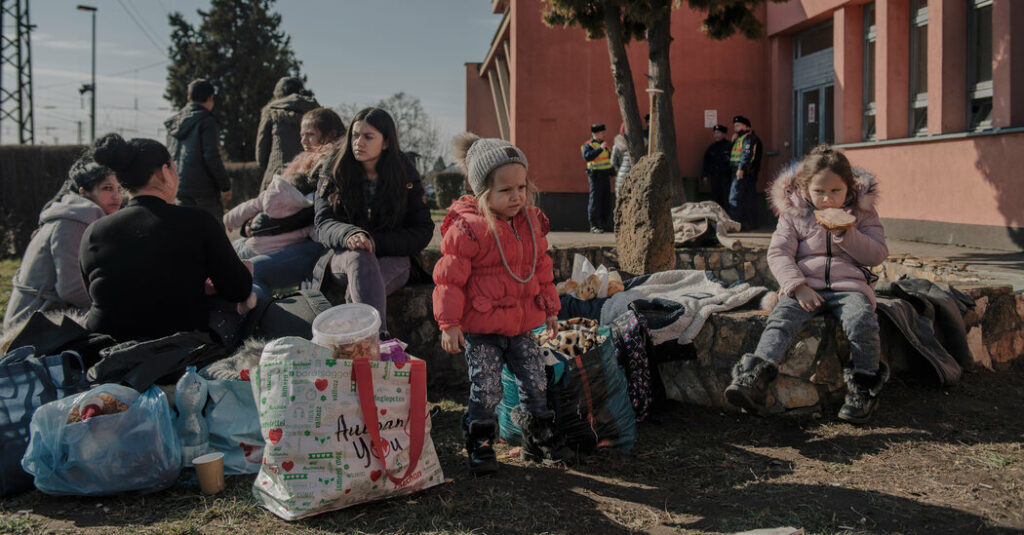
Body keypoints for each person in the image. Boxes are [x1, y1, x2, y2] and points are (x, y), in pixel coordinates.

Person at [433, 133, 574, 474]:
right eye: (506, 190)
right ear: (483, 192)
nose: (516, 197)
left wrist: (551, 308)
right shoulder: (468, 229)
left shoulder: (530, 224)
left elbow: (542, 269)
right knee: (488, 387)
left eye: (521, 188)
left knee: (536, 379)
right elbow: (449, 279)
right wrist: (449, 323)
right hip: (482, 329)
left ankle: (538, 439)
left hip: (523, 325)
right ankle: (480, 443)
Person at [724, 145, 889, 424]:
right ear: (804, 188)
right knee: (782, 318)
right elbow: (778, 254)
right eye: (819, 192)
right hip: (805, 284)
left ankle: (863, 390)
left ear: (849, 188)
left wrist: (846, 235)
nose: (827, 199)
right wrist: (797, 285)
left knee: (862, 319)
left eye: (835, 191)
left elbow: (877, 254)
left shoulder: (863, 214)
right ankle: (754, 379)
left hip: (850, 286)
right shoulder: (794, 215)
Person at [81, 134, 252, 342]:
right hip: (179, 347)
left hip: (108, 349)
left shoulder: (94, 232)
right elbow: (238, 289)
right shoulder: (198, 222)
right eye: (173, 167)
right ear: (164, 172)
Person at [314, 107, 434, 334]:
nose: (359, 142)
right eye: (355, 135)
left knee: (357, 291)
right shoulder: (334, 170)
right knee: (360, 257)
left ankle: (364, 347)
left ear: (386, 143)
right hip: (344, 257)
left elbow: (423, 230)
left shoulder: (405, 175)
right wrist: (349, 235)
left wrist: (375, 241)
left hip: (394, 259)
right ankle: (378, 343)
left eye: (368, 137)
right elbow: (323, 224)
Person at [225, 108, 344, 299]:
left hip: (313, 244)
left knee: (251, 270)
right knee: (231, 253)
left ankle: (259, 323)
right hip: (289, 238)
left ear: (330, 134)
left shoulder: (331, 165)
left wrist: (261, 226)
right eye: (302, 135)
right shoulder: (305, 162)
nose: (303, 141)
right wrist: (255, 223)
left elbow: (307, 213)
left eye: (310, 135)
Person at [3, 151, 122, 330]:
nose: (116, 196)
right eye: (107, 188)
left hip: (53, 314)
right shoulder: (71, 223)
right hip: (31, 324)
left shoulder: (85, 219)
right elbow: (72, 290)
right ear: (84, 191)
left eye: (119, 189)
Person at [165, 79, 231, 222]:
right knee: (213, 233)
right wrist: (225, 186)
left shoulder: (174, 123)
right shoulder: (206, 121)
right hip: (203, 189)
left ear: (188, 98)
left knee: (185, 233)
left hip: (178, 185)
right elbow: (211, 156)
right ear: (210, 99)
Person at [256, 76, 321, 192]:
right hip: (308, 177)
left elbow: (261, 157)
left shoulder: (271, 111)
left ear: (277, 95)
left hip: (277, 176)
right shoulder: (317, 113)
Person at [728, 115, 763, 229]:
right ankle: (745, 224)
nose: (735, 128)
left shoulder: (749, 138)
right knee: (744, 199)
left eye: (737, 126)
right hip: (740, 172)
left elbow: (747, 154)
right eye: (734, 126)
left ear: (746, 126)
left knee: (735, 198)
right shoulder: (739, 138)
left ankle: (736, 225)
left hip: (743, 173)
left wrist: (741, 168)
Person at [580, 123, 614, 233]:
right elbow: (587, 157)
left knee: (606, 201)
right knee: (595, 201)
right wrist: (600, 149)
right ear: (595, 133)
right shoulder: (588, 145)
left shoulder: (605, 145)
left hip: (605, 177)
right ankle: (593, 225)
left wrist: (613, 172)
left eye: (604, 132)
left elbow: (608, 161)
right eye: (601, 133)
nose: (603, 134)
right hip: (595, 177)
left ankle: (603, 224)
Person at [701, 124, 733, 209]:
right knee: (716, 199)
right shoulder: (711, 148)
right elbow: (706, 162)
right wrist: (704, 175)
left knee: (727, 198)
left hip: (726, 178)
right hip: (715, 178)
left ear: (723, 134)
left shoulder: (730, 146)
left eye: (718, 133)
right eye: (715, 133)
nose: (716, 135)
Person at [610, 123, 632, 197]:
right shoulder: (638, 145)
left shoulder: (617, 145)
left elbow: (613, 162)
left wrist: (619, 169)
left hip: (621, 177)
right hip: (634, 177)